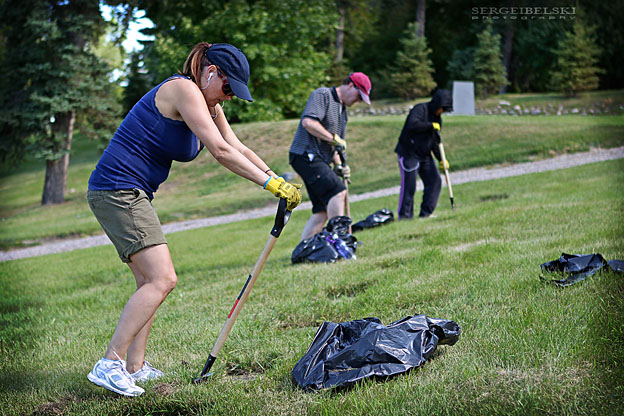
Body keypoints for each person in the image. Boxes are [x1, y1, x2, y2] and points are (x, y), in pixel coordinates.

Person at [85, 42, 301, 397]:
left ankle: (134, 366)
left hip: (131, 191)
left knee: (149, 284)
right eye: (228, 88)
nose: (228, 98)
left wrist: (275, 178)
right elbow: (220, 151)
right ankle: (109, 364)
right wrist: (268, 184)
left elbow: (237, 145)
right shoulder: (183, 89)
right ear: (211, 72)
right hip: (117, 189)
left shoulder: (209, 104)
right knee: (162, 278)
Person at [289, 73, 372, 241]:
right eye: (359, 96)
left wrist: (340, 165)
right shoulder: (323, 95)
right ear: (350, 85)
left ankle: (304, 250)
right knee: (338, 192)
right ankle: (339, 240)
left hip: (319, 158)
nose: (358, 101)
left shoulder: (343, 113)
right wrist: (333, 138)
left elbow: (335, 146)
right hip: (305, 154)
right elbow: (309, 123)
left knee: (322, 210)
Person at [394, 89, 453, 219]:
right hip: (409, 153)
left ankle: (426, 214)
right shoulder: (420, 109)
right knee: (410, 186)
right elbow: (412, 125)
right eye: (442, 108)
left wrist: (441, 159)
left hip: (424, 155)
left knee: (435, 181)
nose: (442, 112)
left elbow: (435, 143)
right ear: (437, 104)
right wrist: (430, 125)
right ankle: (405, 217)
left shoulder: (437, 119)